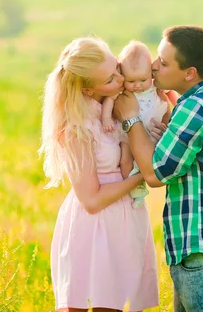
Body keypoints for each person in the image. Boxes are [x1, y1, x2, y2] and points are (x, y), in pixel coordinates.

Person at [113, 25, 203, 311]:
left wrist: (130, 119)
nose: (154, 67)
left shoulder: (196, 107)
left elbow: (155, 174)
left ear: (189, 73)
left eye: (164, 63)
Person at [39, 37, 159, 312]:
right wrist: (143, 175)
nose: (120, 79)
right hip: (95, 228)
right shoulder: (76, 128)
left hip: (125, 220)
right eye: (109, 80)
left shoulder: (118, 105)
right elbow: (91, 200)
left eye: (117, 68)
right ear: (87, 89)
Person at [101, 40, 172, 208]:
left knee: (152, 159)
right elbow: (109, 101)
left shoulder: (156, 87)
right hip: (127, 134)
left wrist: (167, 123)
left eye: (143, 80)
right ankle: (135, 187)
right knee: (126, 159)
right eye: (131, 81)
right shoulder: (122, 91)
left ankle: (146, 178)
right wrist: (106, 118)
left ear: (151, 73)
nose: (138, 86)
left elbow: (167, 106)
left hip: (151, 133)